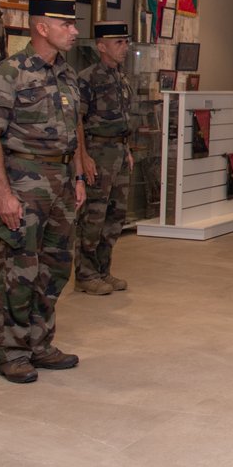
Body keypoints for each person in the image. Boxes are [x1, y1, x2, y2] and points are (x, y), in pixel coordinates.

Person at [0, 0, 85, 384]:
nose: (74, 31)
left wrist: (77, 177)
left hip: (60, 182)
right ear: (42, 28)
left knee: (55, 267)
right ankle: (11, 351)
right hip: (24, 180)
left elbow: (73, 130)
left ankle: (40, 343)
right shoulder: (8, 74)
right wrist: (4, 194)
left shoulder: (67, 74)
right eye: (67, 25)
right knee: (19, 270)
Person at [74, 21, 134, 295]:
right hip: (97, 153)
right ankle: (85, 275)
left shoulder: (121, 76)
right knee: (93, 217)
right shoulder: (88, 78)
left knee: (115, 216)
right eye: (118, 43)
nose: (124, 47)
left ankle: (102, 270)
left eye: (125, 42)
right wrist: (83, 157)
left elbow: (124, 118)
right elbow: (77, 121)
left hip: (119, 153)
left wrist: (128, 149)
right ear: (101, 46)